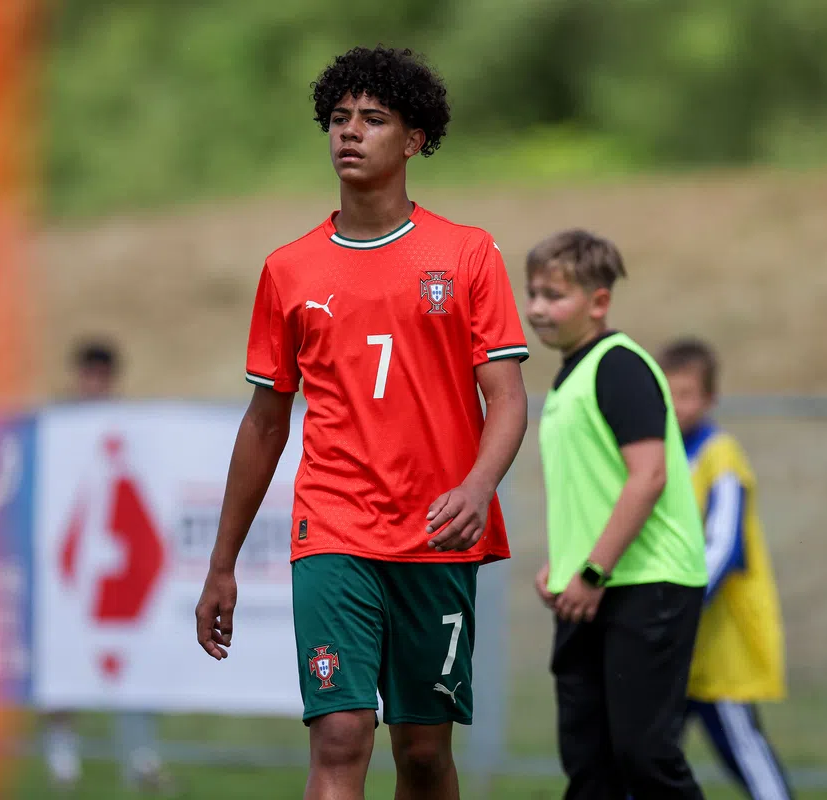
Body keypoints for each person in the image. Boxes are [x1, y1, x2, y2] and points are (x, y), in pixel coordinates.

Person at [194, 45, 530, 800]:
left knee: (422, 753)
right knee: (341, 735)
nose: (350, 131)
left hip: (436, 531)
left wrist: (478, 487)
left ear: (414, 140)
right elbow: (265, 424)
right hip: (333, 526)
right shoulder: (289, 269)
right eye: (339, 117)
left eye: (374, 118)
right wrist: (222, 563)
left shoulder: (467, 254)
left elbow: (507, 398)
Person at [526, 229, 708, 799]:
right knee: (589, 764)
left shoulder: (618, 366)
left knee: (644, 755)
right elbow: (592, 490)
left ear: (599, 301)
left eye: (554, 296)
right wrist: (563, 565)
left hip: (646, 582)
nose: (537, 309)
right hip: (590, 586)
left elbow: (648, 476)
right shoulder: (571, 377)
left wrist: (592, 570)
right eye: (533, 294)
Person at [659, 338, 794, 800]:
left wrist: (677, 604)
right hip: (672, 647)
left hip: (718, 642)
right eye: (667, 393)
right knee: (646, 755)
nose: (676, 405)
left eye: (686, 394)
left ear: (710, 399)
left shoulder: (720, 455)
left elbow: (724, 545)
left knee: (745, 750)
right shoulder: (657, 457)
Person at [42, 339, 173, 793]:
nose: (94, 384)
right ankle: (61, 759)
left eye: (102, 375)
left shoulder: (130, 429)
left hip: (120, 579)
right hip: (76, 571)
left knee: (135, 664)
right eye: (88, 374)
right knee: (61, 664)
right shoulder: (57, 427)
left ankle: (141, 757)